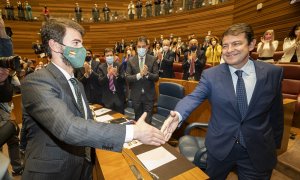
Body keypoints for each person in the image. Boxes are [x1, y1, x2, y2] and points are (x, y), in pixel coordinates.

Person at [21, 18, 166, 180]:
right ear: (55, 46)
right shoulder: (36, 81)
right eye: (76, 43)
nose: (82, 50)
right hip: (53, 173)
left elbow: (86, 122)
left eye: (82, 44)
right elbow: (69, 128)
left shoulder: (76, 83)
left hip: (83, 167)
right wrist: (133, 132)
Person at [161, 23, 284, 180]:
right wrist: (178, 115)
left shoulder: (272, 73)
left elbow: (276, 114)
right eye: (225, 45)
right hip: (220, 149)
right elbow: (193, 97)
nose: (229, 49)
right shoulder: (211, 75)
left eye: (236, 43)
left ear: (251, 44)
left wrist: (274, 146)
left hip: (257, 149)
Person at [0, 18, 23, 177]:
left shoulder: (4, 47)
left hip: (2, 106)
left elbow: (7, 95)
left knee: (12, 136)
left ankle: (17, 167)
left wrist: (2, 80)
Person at [126, 36, 159, 123]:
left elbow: (156, 77)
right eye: (139, 46)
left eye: (143, 46)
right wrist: (139, 75)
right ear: (136, 47)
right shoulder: (130, 60)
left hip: (149, 96)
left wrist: (147, 74)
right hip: (136, 96)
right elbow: (128, 78)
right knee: (138, 121)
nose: (141, 48)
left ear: (147, 47)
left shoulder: (153, 59)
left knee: (147, 122)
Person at [98, 48, 125, 114]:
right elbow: (100, 82)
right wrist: (108, 75)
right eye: (107, 55)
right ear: (104, 57)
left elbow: (124, 80)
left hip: (119, 98)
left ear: (113, 56)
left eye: (111, 55)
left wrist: (117, 75)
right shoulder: (101, 67)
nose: (109, 57)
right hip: (107, 99)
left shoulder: (119, 65)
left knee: (121, 120)